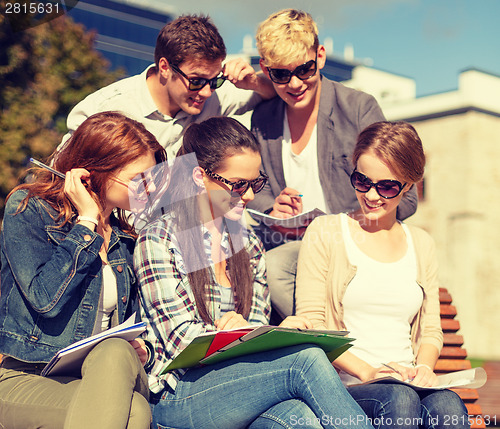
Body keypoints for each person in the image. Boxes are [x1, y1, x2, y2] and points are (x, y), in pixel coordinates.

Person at [134, 116, 376, 429]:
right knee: (306, 360)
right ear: (198, 176)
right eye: (237, 185)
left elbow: (256, 329)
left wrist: (275, 333)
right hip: (178, 397)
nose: (248, 196)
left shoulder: (247, 243)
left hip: (237, 387)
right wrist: (238, 334)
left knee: (299, 419)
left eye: (255, 184)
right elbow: (180, 341)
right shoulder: (159, 238)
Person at [295, 121, 470, 429]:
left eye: (387, 186)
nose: (372, 195)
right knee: (398, 399)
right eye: (362, 181)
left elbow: (430, 330)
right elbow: (312, 326)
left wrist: (424, 369)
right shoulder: (326, 232)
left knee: (448, 405)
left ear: (409, 185)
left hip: (409, 383)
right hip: (347, 384)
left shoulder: (422, 243)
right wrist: (368, 371)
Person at [247, 9, 418, 320]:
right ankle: (333, 342)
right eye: (281, 75)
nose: (295, 83)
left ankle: (333, 342)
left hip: (355, 244)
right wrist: (273, 207)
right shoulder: (263, 118)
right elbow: (253, 185)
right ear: (265, 69)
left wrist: (355, 221)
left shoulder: (357, 108)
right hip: (294, 248)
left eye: (305, 70)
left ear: (321, 56)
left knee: (272, 268)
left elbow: (406, 196)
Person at [0, 111, 168, 428]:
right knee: (135, 414)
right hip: (26, 376)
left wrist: (143, 349)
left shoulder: (125, 240)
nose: (149, 189)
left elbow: (136, 324)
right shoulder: (28, 208)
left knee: (118, 351)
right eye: (138, 180)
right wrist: (87, 223)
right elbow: (44, 300)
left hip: (105, 374)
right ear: (92, 174)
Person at [58, 14, 275, 159]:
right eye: (196, 81)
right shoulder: (105, 108)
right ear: (165, 67)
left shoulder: (213, 96)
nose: (207, 92)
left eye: (215, 80)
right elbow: (60, 174)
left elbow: (277, 91)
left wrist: (254, 82)